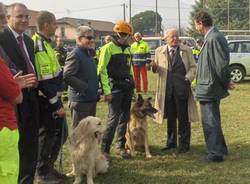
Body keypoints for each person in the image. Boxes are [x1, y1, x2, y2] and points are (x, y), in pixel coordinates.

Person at [0, 3, 40, 184]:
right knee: (17, 148)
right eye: (19, 16)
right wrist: (14, 84)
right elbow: (7, 67)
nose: (24, 20)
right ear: (8, 18)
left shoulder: (29, 41)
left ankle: (27, 179)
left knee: (31, 145)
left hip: (31, 97)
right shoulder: (2, 37)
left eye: (26, 17)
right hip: (12, 98)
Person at [194, 11, 234, 162]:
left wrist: (227, 81)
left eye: (195, 23)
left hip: (209, 88)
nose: (195, 26)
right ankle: (220, 149)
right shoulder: (211, 37)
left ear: (200, 23)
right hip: (209, 86)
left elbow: (220, 65)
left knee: (210, 122)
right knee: (214, 120)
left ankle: (215, 154)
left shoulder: (214, 37)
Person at [32, 11, 67, 183]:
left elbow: (55, 73)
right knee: (47, 137)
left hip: (54, 99)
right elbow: (44, 82)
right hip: (46, 102)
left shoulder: (47, 43)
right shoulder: (38, 45)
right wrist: (56, 105)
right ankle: (43, 173)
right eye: (55, 24)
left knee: (59, 133)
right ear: (46, 24)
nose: (56, 28)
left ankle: (49, 168)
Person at [151, 28, 199, 153]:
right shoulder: (159, 51)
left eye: (177, 36)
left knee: (183, 118)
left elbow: (193, 67)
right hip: (166, 90)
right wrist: (153, 67)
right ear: (165, 38)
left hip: (182, 89)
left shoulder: (186, 50)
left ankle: (184, 145)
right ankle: (171, 143)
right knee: (170, 118)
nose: (175, 39)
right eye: (172, 37)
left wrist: (187, 79)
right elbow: (156, 69)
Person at [98, 20, 134, 160]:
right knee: (113, 119)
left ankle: (120, 147)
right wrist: (107, 91)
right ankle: (105, 150)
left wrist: (132, 85)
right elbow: (101, 70)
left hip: (126, 89)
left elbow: (128, 69)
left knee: (124, 118)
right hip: (114, 90)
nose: (131, 39)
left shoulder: (128, 49)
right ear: (123, 35)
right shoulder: (108, 48)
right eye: (129, 36)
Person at [64, 26, 99, 128]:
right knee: (80, 135)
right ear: (79, 39)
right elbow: (67, 75)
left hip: (90, 99)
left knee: (89, 134)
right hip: (80, 101)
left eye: (92, 37)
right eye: (88, 38)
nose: (91, 40)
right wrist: (85, 87)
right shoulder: (75, 54)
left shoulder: (88, 53)